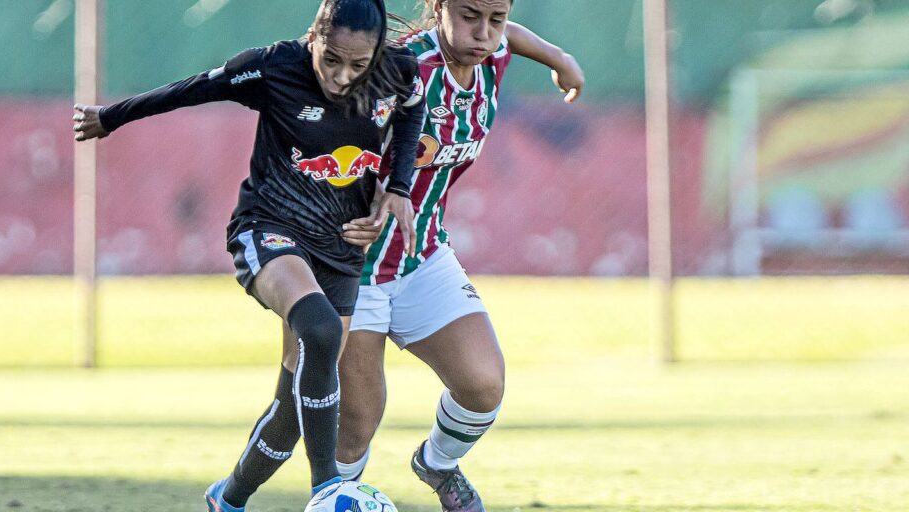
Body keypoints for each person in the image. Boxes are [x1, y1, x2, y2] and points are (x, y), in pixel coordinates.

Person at [72, 0, 427, 510]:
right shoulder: (273, 67)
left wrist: (399, 187)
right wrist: (111, 117)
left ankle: (229, 498)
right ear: (314, 36)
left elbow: (413, 110)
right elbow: (193, 88)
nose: (342, 76)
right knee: (321, 331)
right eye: (331, 59)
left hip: (341, 247)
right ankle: (328, 487)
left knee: (292, 406)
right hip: (269, 229)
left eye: (358, 65)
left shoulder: (398, 72)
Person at [324, 0, 586, 510]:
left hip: (422, 256)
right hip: (353, 263)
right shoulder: (399, 68)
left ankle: (437, 464)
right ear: (438, 7)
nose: (485, 33)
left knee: (483, 385)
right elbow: (325, 133)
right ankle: (337, 497)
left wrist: (559, 58)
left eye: (497, 18)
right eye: (470, 16)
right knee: (358, 419)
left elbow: (515, 38)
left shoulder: (492, 55)